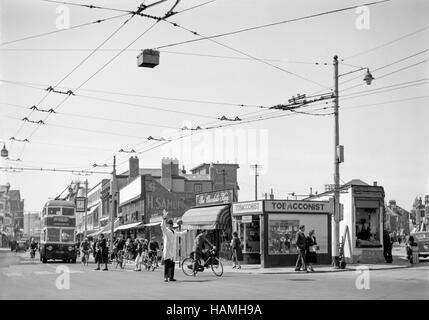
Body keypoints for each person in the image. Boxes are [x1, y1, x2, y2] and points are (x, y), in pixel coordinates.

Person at [160, 209, 188, 282]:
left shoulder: (174, 232)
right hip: (168, 250)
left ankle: (171, 277)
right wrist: (164, 218)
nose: (171, 226)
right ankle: (166, 277)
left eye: (172, 224)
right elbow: (162, 227)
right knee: (167, 265)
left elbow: (180, 233)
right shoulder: (166, 231)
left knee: (172, 264)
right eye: (169, 224)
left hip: (173, 251)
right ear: (168, 225)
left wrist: (187, 231)